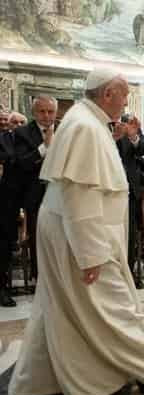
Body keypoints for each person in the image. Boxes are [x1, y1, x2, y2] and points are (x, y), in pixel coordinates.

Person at [8, 69, 144, 395]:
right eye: (124, 95)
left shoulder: (83, 119)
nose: (126, 101)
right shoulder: (86, 128)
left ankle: (33, 385)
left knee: (55, 308)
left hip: (70, 229)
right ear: (108, 94)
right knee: (115, 307)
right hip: (82, 235)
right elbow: (81, 197)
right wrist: (90, 255)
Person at [13, 95, 58, 281]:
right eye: (42, 111)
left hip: (60, 193)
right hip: (35, 193)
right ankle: (40, 277)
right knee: (38, 237)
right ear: (34, 112)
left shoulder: (64, 129)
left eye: (51, 111)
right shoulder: (22, 133)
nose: (47, 116)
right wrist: (45, 147)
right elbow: (22, 163)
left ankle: (59, 276)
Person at [115, 114, 144, 289]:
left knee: (130, 235)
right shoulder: (100, 127)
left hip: (129, 191)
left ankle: (129, 272)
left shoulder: (130, 133)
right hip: (108, 191)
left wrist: (133, 136)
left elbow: (141, 151)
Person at [0, 125, 16, 307]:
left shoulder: (7, 138)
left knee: (3, 247)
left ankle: (3, 289)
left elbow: (11, 159)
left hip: (4, 200)